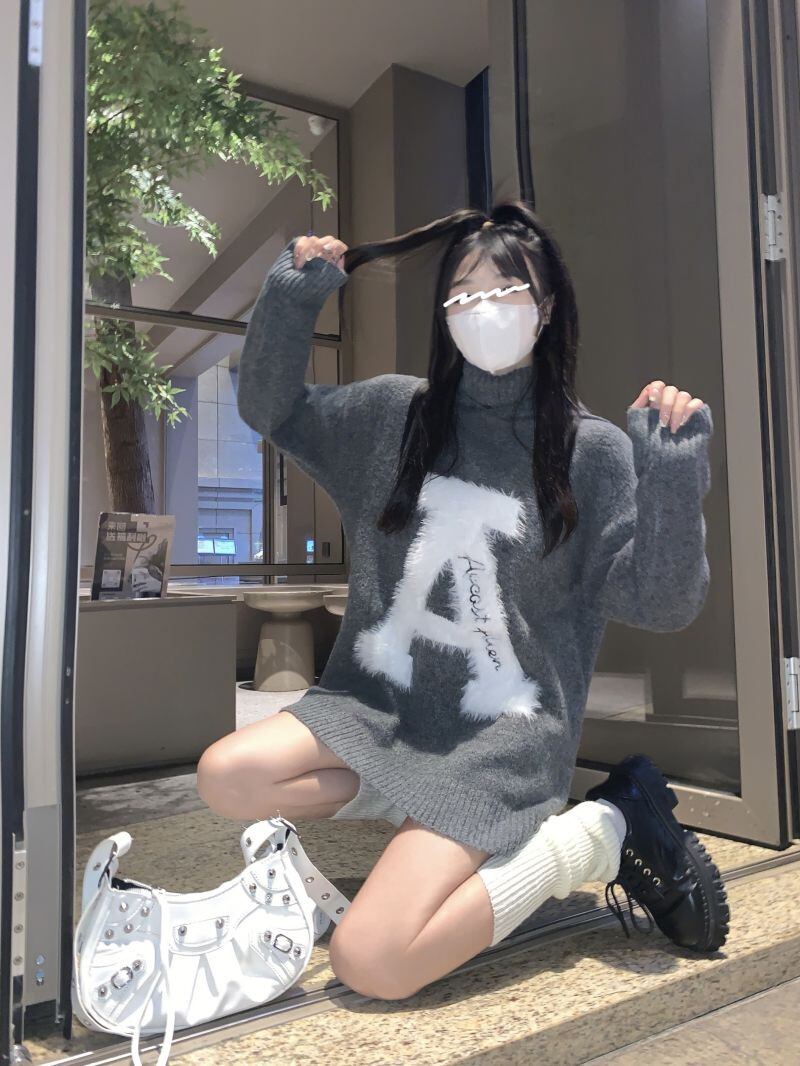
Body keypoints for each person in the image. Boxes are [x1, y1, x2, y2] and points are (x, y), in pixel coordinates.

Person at [196, 200, 729, 1002]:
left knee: (373, 962)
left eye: (506, 291)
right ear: (445, 313)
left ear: (546, 308)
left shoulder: (589, 451)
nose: (485, 309)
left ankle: (599, 834)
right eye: (464, 294)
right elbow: (270, 409)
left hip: (500, 739)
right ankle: (417, 801)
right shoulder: (392, 416)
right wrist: (294, 294)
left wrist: (673, 480)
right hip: (380, 709)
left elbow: (662, 603)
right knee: (226, 776)